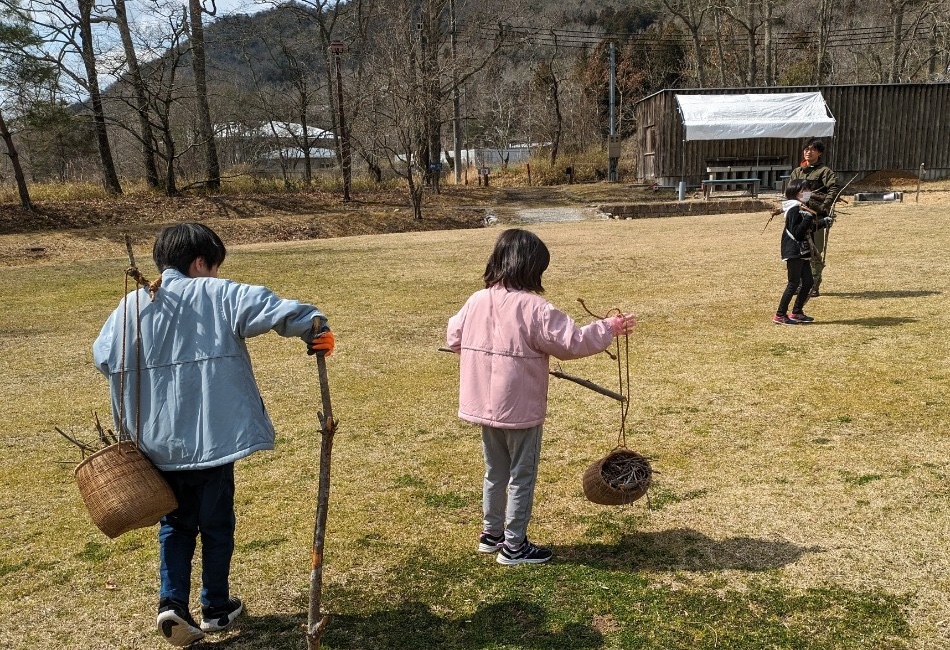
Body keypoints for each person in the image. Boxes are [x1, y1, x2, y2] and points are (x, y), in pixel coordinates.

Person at [92, 223, 334, 647]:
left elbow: (102, 356)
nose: (217, 275)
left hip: (156, 445)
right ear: (200, 262)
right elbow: (276, 309)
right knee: (217, 523)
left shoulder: (129, 307)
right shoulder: (217, 294)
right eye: (215, 266)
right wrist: (316, 326)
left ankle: (172, 603)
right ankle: (216, 606)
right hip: (211, 440)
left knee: (175, 522)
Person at [446, 229, 636, 566]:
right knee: (521, 474)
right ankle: (514, 546)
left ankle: (491, 535)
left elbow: (454, 336)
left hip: (483, 405)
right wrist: (608, 328)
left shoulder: (476, 300)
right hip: (519, 409)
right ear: (532, 268)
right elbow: (571, 342)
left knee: (495, 470)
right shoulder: (535, 308)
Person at [774, 179, 833, 325]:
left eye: (808, 189)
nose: (807, 192)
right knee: (793, 283)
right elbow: (798, 233)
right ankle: (780, 314)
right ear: (795, 193)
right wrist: (808, 218)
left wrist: (823, 222)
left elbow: (807, 229)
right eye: (803, 190)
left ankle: (797, 312)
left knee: (808, 281)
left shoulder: (802, 207)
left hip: (803, 251)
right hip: (794, 250)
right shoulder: (794, 208)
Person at [788, 137, 840, 297]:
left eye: (812, 149)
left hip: (817, 218)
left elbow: (834, 188)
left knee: (814, 250)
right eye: (806, 149)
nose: (808, 152)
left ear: (820, 152)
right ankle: (800, 284)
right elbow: (790, 192)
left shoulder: (824, 172)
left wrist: (825, 206)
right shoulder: (797, 171)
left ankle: (814, 284)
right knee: (799, 252)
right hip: (799, 217)